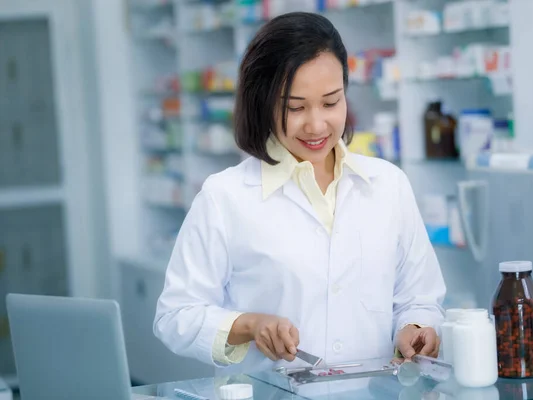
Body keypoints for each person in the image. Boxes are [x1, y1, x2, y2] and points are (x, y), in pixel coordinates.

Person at [154, 11, 446, 375]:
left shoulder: (388, 184)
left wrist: (415, 329)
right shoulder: (224, 196)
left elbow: (419, 296)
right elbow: (175, 315)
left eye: (330, 102)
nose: (316, 124)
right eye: (295, 107)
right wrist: (249, 325)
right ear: (263, 102)